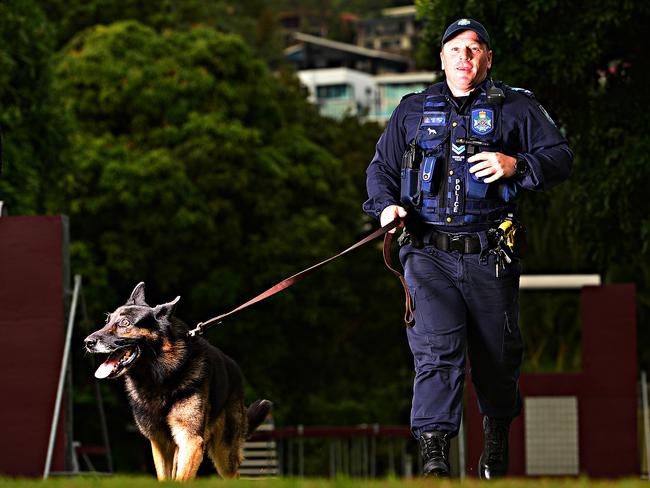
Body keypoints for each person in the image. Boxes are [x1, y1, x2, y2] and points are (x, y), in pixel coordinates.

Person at [363, 18, 572, 478]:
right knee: (436, 348)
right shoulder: (412, 110)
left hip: (489, 253)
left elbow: (560, 157)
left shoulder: (517, 107)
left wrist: (516, 163)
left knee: (497, 357)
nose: (464, 57)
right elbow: (381, 168)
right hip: (426, 252)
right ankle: (435, 454)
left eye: (474, 48)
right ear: (441, 58)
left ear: (488, 58)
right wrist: (385, 208)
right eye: (455, 49)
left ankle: (496, 434)